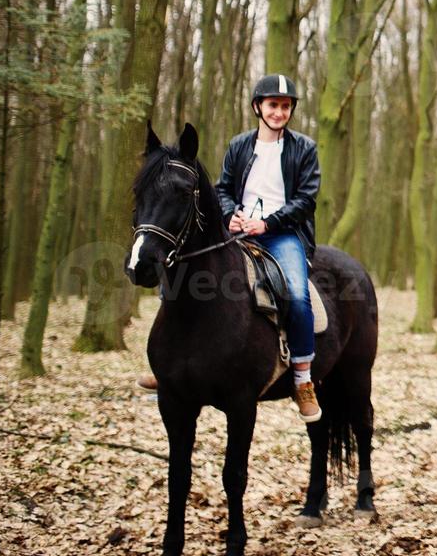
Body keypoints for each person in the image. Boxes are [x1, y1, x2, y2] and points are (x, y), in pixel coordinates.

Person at [137, 74, 323, 423]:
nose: (279, 112)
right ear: (258, 107)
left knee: (297, 295)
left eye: (285, 106)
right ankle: (169, 370)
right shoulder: (239, 146)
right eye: (273, 105)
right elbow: (222, 189)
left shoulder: (304, 148)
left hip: (282, 235)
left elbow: (306, 199)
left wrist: (268, 223)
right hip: (235, 230)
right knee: (178, 279)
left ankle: (302, 379)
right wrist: (230, 215)